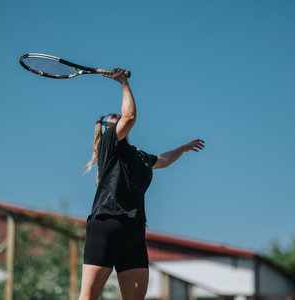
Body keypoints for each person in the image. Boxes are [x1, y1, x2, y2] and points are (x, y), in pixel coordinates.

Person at [79, 68, 205, 300]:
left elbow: (164, 160)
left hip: (134, 231)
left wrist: (183, 148)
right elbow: (130, 117)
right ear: (108, 129)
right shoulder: (109, 144)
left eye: (117, 115)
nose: (118, 116)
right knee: (88, 298)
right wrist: (123, 84)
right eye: (113, 117)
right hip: (106, 226)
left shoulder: (138, 155)